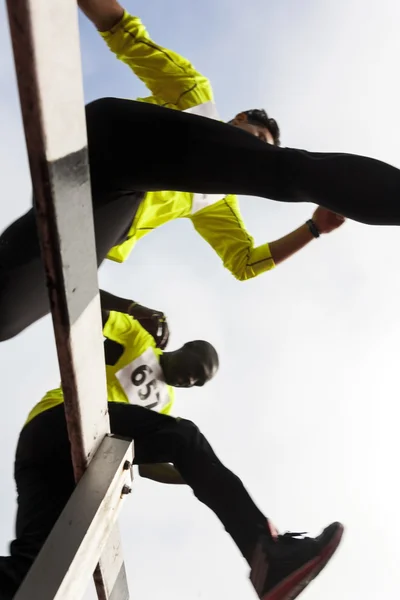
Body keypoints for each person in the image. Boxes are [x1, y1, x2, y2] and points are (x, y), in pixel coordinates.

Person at [4, 4, 400, 342]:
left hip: (101, 208)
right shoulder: (193, 95)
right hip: (115, 142)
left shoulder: (217, 202)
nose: (261, 145)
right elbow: (123, 32)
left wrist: (313, 230)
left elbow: (244, 262)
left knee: (6, 314)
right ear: (241, 118)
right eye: (260, 137)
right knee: (283, 172)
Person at [0, 306, 344, 600]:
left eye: (198, 383)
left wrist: (196, 474)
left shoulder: (165, 407)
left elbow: (148, 465)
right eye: (197, 368)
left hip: (62, 464)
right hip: (56, 423)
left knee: (31, 570)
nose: (191, 379)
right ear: (187, 346)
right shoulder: (139, 339)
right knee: (185, 436)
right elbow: (85, 304)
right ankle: (267, 555)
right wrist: (134, 308)